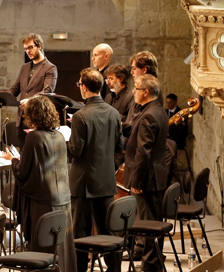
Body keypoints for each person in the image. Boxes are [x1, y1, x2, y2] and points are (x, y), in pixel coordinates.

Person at [0, 95, 76, 272]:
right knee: (61, 246)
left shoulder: (33, 137)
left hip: (43, 201)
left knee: (44, 247)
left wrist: (13, 159)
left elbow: (23, 171)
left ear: (33, 115)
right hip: (63, 198)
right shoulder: (58, 135)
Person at [68, 68, 123, 272]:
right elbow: (119, 147)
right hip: (106, 181)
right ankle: (114, 269)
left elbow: (75, 151)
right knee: (109, 231)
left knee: (80, 233)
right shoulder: (114, 113)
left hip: (83, 184)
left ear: (84, 87)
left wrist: (64, 140)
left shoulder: (80, 116)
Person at [124, 74, 169, 271]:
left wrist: (137, 181)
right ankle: (155, 261)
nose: (133, 92)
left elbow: (143, 152)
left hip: (147, 178)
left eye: (136, 88)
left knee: (148, 224)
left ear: (146, 92)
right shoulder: (159, 110)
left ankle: (150, 265)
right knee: (153, 221)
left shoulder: (149, 115)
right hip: (157, 175)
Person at [6, 33, 58, 147]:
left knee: (36, 155)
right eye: (25, 49)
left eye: (30, 47)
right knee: (23, 155)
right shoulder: (25, 67)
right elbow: (15, 88)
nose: (28, 51)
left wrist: (30, 100)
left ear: (39, 46)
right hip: (22, 119)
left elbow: (47, 91)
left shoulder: (50, 68)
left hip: (37, 119)